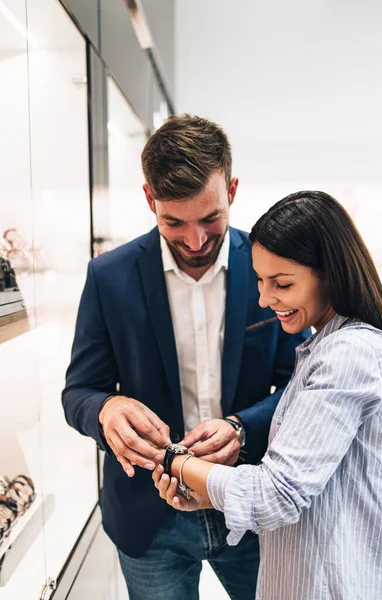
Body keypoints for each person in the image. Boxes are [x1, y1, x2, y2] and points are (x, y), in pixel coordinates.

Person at [62, 115, 308, 600]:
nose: (195, 241)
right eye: (173, 222)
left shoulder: (273, 270)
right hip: (149, 524)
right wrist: (106, 409)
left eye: (210, 218)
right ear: (150, 199)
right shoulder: (108, 277)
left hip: (251, 509)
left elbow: (301, 385)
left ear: (232, 190)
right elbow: (78, 393)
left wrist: (242, 428)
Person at [153, 190, 382, 600]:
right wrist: (209, 494)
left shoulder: (350, 354)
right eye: (260, 281)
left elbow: (277, 494)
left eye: (282, 284)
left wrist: (172, 458)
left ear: (331, 273)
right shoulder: (324, 348)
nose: (266, 299)